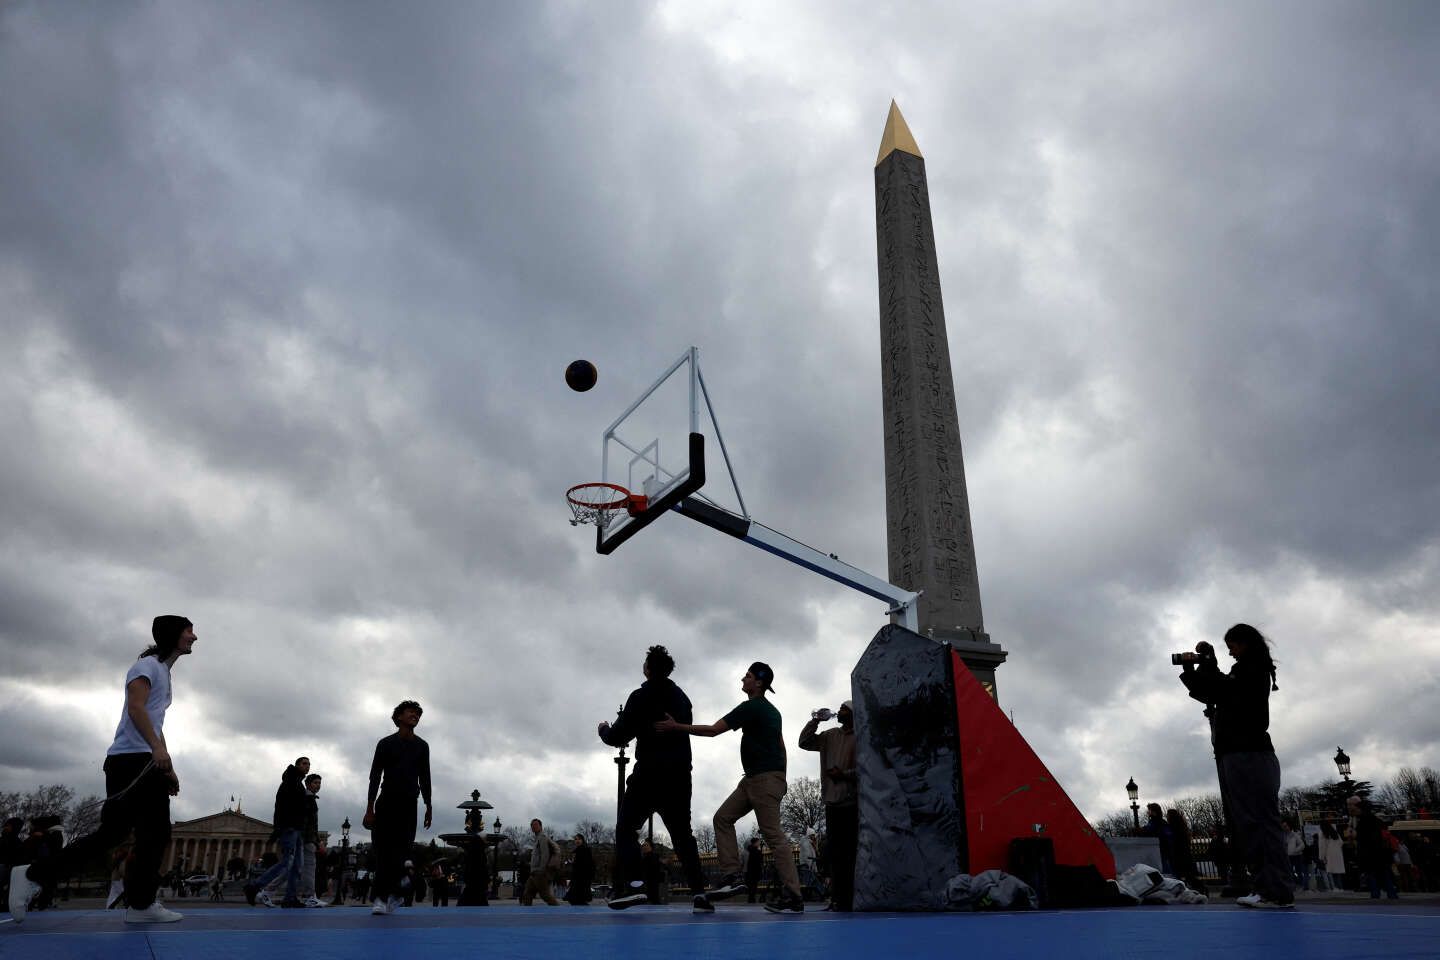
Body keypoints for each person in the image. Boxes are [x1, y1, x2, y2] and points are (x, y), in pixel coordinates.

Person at [8, 617, 197, 924]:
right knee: (128, 834)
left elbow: (152, 720)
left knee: (145, 834)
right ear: (172, 634)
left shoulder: (162, 671)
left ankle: (139, 905)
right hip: (130, 761)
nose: (194, 636)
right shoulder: (145, 667)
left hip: (144, 761)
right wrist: (157, 751)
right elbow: (136, 708)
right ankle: (33, 874)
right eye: (189, 630)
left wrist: (167, 766)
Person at [657, 661, 804, 914]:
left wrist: (676, 727)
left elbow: (714, 730)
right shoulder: (773, 712)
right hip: (754, 780)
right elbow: (782, 746)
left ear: (758, 682)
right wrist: (783, 778)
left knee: (774, 837)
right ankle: (732, 876)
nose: (742, 680)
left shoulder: (753, 707)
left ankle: (793, 896)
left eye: (746, 676)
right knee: (722, 818)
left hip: (764, 780)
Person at [1178, 623, 1294, 908]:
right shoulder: (1249, 670)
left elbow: (1218, 690)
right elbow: (1215, 691)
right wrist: (1203, 668)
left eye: (1232, 646)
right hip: (1245, 753)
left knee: (1257, 823)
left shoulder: (1249, 669)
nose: (1230, 652)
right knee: (1254, 822)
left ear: (1244, 643)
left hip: (1247, 753)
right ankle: (1268, 888)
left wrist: (1204, 665)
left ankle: (1274, 890)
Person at [596, 645, 709, 911]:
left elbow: (619, 736)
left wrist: (603, 730)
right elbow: (686, 726)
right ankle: (700, 893)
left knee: (626, 829)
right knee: (683, 836)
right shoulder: (683, 698)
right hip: (679, 774)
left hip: (649, 772)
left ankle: (635, 886)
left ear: (647, 669)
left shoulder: (640, 696)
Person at [363, 700, 433, 916]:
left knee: (402, 850)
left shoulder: (422, 746)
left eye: (418, 714)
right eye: (411, 712)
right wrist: (370, 807)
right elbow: (375, 775)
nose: (416, 716)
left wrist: (428, 805)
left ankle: (391, 895)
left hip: (409, 803)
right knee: (383, 850)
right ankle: (385, 896)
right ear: (399, 717)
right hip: (387, 801)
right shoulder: (385, 744)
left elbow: (425, 777)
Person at [799, 701, 857, 910]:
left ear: (852, 714)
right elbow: (804, 742)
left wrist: (844, 775)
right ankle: (837, 898)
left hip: (852, 801)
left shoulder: (861, 737)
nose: (839, 711)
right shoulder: (830, 735)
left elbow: (867, 770)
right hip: (832, 801)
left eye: (844, 709)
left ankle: (848, 899)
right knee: (835, 853)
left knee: (850, 853)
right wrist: (814, 721)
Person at [245, 757, 311, 908]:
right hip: (290, 827)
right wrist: (281, 827)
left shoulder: (297, 783)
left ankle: (290, 898)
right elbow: (281, 806)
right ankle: (254, 886)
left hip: (297, 828)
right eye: (304, 763)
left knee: (297, 865)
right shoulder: (290, 782)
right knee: (287, 862)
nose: (307, 766)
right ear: (297, 765)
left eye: (309, 764)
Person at [1349, 796, 1397, 899]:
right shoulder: (1375, 820)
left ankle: (1376, 894)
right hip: (1381, 853)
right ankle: (1391, 893)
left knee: (1372, 875)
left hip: (1370, 854)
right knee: (1385, 875)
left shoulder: (1363, 821)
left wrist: (1356, 836)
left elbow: (1365, 838)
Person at [298, 773, 326, 907]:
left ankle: (267, 890)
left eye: (319, 783)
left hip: (306, 838)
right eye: (315, 782)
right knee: (309, 867)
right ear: (308, 784)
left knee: (294, 867)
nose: (318, 785)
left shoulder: (309, 798)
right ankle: (310, 896)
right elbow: (310, 824)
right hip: (307, 839)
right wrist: (317, 841)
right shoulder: (308, 798)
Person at [520, 819, 559, 905]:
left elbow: (545, 855)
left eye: (536, 825)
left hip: (539, 872)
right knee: (527, 893)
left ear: (541, 827)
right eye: (532, 825)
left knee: (545, 895)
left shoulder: (542, 837)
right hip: (534, 872)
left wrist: (542, 869)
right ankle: (528, 913)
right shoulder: (537, 838)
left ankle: (558, 910)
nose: (533, 826)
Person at [1166, 808, 1203, 892]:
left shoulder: (1172, 828)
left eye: (1168, 815)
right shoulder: (1181, 826)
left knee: (1180, 875)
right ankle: (1198, 888)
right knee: (1189, 875)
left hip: (1178, 854)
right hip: (1185, 854)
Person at [1139, 803, 1174, 874]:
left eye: (1149, 810)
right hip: (1160, 851)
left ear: (1154, 812)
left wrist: (1142, 831)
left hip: (1161, 851)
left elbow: (1152, 832)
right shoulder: (1159, 822)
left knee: (1166, 872)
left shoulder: (1158, 823)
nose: (1147, 812)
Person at [564, 834, 594, 905]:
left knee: (577, 898)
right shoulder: (576, 851)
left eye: (579, 839)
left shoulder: (585, 849)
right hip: (576, 876)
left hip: (583, 876)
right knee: (576, 898)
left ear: (582, 840)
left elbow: (589, 863)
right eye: (576, 839)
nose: (577, 841)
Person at [1319, 821, 1347, 890]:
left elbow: (1322, 847)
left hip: (1329, 854)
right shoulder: (1335, 833)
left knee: (1333, 872)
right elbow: (1341, 842)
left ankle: (1337, 888)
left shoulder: (1323, 834)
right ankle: (1341, 888)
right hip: (1338, 854)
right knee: (1338, 872)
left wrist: (1322, 857)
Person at [745, 836, 765, 903]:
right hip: (755, 870)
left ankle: (751, 898)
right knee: (753, 885)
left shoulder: (749, 850)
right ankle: (752, 899)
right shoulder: (756, 851)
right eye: (758, 842)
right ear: (755, 843)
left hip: (750, 870)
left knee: (751, 885)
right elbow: (759, 861)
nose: (759, 843)